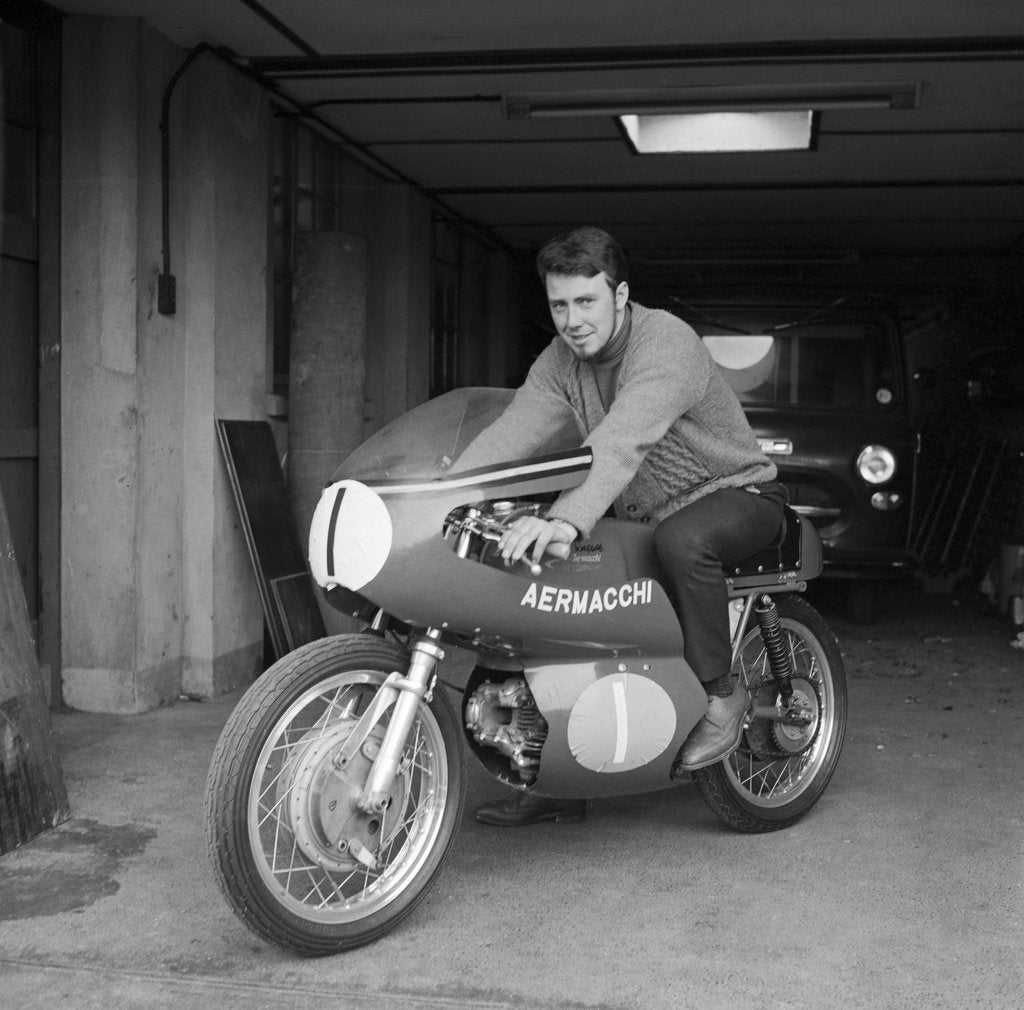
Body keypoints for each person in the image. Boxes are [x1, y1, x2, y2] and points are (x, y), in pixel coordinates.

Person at [457, 227, 787, 827]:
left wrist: (564, 517)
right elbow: (511, 435)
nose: (572, 320)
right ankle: (558, 774)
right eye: (560, 304)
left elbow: (621, 440)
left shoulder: (667, 343)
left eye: (586, 301)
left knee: (679, 540)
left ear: (621, 295)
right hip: (638, 510)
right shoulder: (559, 362)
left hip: (735, 494)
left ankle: (721, 693)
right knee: (560, 578)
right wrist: (448, 487)